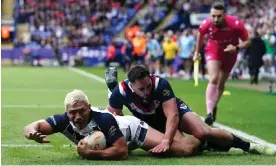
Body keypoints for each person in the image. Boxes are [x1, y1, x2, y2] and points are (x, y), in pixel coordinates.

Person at [105, 65, 275, 155]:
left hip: (172, 113)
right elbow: (113, 118)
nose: (147, 91)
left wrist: (166, 140)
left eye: (148, 86)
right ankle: (205, 145)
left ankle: (250, 146)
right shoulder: (120, 93)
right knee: (184, 150)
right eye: (141, 89)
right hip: (150, 122)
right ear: (131, 86)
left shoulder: (160, 84)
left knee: (202, 131)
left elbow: (172, 115)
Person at [23, 89, 204, 160]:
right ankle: (172, 133)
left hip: (132, 131)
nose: (77, 116)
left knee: (182, 150)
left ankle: (201, 139)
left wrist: (91, 154)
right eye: (73, 113)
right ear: (66, 112)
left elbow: (122, 152)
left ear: (89, 107)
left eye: (81, 111)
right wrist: (31, 132)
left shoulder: (103, 118)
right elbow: (33, 126)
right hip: (115, 138)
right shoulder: (62, 120)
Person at [193, 2, 250, 125]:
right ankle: (209, 113)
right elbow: (200, 33)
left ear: (224, 15)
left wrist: (236, 47)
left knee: (221, 83)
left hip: (230, 53)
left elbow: (247, 41)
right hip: (214, 50)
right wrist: (197, 51)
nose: (215, 19)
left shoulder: (236, 24)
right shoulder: (207, 23)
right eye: (213, 16)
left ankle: (213, 106)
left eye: (219, 16)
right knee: (213, 78)